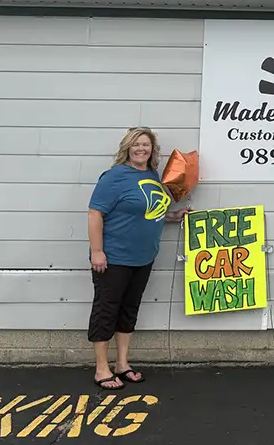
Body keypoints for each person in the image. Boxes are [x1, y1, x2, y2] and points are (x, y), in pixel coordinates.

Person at [86, 127, 189, 390]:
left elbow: (148, 211)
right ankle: (101, 368)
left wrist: (173, 216)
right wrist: (97, 251)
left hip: (143, 257)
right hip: (114, 258)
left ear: (152, 150)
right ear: (127, 148)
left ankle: (122, 364)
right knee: (106, 310)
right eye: (136, 144)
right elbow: (95, 213)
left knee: (129, 309)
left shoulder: (153, 176)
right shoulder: (114, 177)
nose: (141, 149)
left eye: (146, 145)